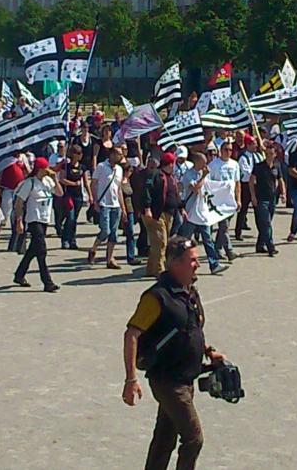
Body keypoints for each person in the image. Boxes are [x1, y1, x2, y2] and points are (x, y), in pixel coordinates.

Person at [122, 239, 227, 470]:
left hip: (186, 377)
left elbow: (191, 329)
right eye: (193, 260)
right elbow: (131, 334)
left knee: (164, 439)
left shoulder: (188, 292)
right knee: (193, 438)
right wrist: (131, 380)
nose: (198, 264)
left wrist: (209, 351)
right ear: (175, 264)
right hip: (168, 380)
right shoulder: (157, 297)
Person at [13, 157, 63, 292]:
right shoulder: (30, 183)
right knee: (42, 251)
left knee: (33, 250)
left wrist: (55, 179)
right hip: (34, 219)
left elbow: (59, 193)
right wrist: (19, 221)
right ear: (40, 169)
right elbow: (19, 202)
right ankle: (47, 282)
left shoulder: (47, 181)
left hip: (45, 219)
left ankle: (19, 274)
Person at [178, 152, 229, 275]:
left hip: (201, 212)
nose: (206, 165)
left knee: (207, 239)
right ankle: (177, 261)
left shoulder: (202, 173)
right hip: (191, 212)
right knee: (184, 240)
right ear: (197, 162)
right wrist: (204, 176)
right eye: (203, 162)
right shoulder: (188, 174)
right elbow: (195, 189)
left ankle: (214, 264)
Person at [142, 152, 182, 277]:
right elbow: (146, 191)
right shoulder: (156, 175)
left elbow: (174, 195)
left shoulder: (171, 177)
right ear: (170, 164)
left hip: (169, 213)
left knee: (157, 243)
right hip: (156, 213)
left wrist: (181, 208)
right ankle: (160, 271)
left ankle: (150, 269)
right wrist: (147, 208)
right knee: (161, 242)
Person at [89, 145, 127, 269]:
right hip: (104, 203)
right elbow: (93, 183)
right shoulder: (101, 167)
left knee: (114, 234)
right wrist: (95, 200)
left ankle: (109, 259)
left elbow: (119, 189)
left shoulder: (119, 170)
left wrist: (123, 207)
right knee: (105, 231)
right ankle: (93, 249)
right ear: (111, 155)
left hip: (115, 204)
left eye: (121, 154)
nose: (120, 156)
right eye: (118, 154)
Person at [205, 143, 240, 262]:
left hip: (230, 200)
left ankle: (217, 248)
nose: (228, 152)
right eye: (226, 149)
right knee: (224, 226)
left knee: (224, 227)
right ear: (221, 150)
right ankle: (229, 251)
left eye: (230, 150)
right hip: (218, 201)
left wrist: (238, 199)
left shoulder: (234, 164)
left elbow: (237, 183)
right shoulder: (214, 165)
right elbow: (208, 183)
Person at [250, 144, 283, 255]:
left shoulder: (277, 166)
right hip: (261, 199)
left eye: (271, 154)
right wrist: (253, 196)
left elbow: (281, 180)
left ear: (275, 154)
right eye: (267, 154)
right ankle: (270, 246)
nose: (269, 156)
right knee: (266, 223)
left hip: (272, 198)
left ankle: (260, 245)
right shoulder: (259, 166)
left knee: (265, 224)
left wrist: (283, 193)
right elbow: (251, 181)